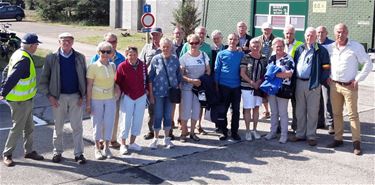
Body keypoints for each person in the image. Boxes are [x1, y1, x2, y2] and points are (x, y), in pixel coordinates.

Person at [39, 32, 87, 164]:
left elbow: (84, 77)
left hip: (76, 96)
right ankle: (57, 152)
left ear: (73, 42)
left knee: (77, 127)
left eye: (69, 40)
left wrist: (83, 96)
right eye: (63, 40)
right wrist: (50, 96)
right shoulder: (51, 58)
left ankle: (79, 154)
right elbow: (43, 80)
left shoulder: (80, 57)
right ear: (59, 42)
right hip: (58, 97)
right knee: (58, 126)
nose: (66, 42)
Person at [326, 23, 373, 155]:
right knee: (336, 113)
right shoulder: (330, 48)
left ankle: (356, 143)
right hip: (334, 85)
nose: (340, 35)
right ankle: (338, 139)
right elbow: (324, 62)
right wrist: (328, 75)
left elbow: (368, 63)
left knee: (353, 115)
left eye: (342, 32)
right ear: (334, 33)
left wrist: (358, 79)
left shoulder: (355, 47)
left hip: (349, 87)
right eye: (338, 32)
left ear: (347, 32)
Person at [0, 33, 44, 167]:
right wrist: (3, 92)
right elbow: (12, 76)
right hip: (19, 101)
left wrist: (2, 84)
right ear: (31, 46)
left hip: (26, 99)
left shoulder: (19, 53)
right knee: (17, 128)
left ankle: (29, 151)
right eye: (36, 44)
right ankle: (7, 154)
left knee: (29, 126)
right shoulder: (23, 59)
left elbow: (6, 70)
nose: (37, 47)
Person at [290, 27, 331, 146]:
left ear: (316, 37)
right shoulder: (299, 49)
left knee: (312, 111)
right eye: (308, 35)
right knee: (299, 110)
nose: (309, 37)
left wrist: (319, 81)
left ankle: (311, 135)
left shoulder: (321, 50)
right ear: (304, 36)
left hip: (313, 84)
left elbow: (326, 67)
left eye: (312, 35)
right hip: (299, 83)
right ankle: (300, 134)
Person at [91, 33, 125, 149]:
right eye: (108, 41)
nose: (111, 44)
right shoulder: (96, 57)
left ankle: (112, 139)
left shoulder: (121, 58)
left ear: (117, 43)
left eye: (114, 41)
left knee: (113, 117)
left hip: (114, 93)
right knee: (100, 118)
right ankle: (100, 139)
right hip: (99, 94)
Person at [86, 42, 118, 160]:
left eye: (108, 52)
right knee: (97, 123)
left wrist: (117, 90)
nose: (105, 54)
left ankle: (107, 147)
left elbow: (114, 82)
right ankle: (97, 148)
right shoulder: (93, 67)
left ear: (111, 53)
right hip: (96, 99)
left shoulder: (113, 66)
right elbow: (89, 86)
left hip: (110, 98)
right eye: (103, 51)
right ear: (98, 52)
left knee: (109, 122)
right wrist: (88, 103)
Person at [148, 38, 182, 149]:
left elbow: (179, 76)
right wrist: (151, 95)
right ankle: (155, 139)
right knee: (157, 116)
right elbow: (150, 78)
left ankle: (167, 139)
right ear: (160, 47)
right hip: (158, 93)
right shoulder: (155, 59)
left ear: (171, 47)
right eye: (164, 46)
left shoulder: (175, 59)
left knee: (168, 116)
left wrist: (177, 87)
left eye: (168, 46)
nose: (166, 49)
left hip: (170, 94)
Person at [115, 46, 149, 155]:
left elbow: (147, 79)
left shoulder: (142, 65)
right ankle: (123, 144)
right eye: (130, 55)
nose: (132, 57)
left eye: (134, 54)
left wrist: (147, 90)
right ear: (126, 55)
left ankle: (133, 142)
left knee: (138, 120)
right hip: (128, 96)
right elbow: (117, 82)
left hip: (141, 96)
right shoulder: (122, 66)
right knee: (126, 120)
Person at [180, 26, 212, 135]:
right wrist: (191, 80)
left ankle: (193, 132)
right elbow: (181, 75)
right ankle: (184, 131)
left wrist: (201, 81)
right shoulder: (184, 58)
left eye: (196, 43)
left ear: (199, 43)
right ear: (188, 43)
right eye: (191, 43)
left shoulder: (204, 55)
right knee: (185, 111)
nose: (194, 45)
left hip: (200, 89)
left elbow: (208, 70)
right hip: (187, 88)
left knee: (197, 111)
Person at [263, 38, 294, 144]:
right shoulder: (271, 58)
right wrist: (276, 74)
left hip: (283, 88)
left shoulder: (288, 58)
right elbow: (267, 71)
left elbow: (289, 73)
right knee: (274, 112)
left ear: (284, 47)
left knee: (283, 113)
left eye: (281, 46)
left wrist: (274, 74)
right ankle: (272, 132)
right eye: (277, 46)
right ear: (273, 47)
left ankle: (284, 135)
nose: (279, 48)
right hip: (272, 88)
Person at [215, 33, 244, 141]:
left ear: (238, 41)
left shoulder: (241, 54)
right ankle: (223, 131)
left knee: (235, 110)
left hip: (236, 87)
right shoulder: (221, 54)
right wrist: (216, 85)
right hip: (223, 86)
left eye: (235, 39)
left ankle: (234, 132)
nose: (233, 41)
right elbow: (217, 70)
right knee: (223, 110)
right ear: (227, 40)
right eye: (231, 39)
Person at [240, 38, 267, 141]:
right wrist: (252, 83)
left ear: (260, 46)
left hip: (259, 88)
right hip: (247, 87)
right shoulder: (245, 57)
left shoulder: (264, 58)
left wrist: (258, 83)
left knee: (256, 108)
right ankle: (247, 131)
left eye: (257, 45)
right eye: (253, 46)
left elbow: (265, 73)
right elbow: (242, 73)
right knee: (247, 108)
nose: (255, 47)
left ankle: (254, 130)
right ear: (250, 46)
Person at [139, 27, 163, 140]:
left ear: (161, 35)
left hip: (164, 83)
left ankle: (168, 131)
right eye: (153, 35)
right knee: (152, 108)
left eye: (157, 34)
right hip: (150, 82)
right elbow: (140, 63)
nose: (155, 37)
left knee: (165, 108)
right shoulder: (147, 48)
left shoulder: (166, 47)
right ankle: (151, 131)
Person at [283, 24, 304, 133]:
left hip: (294, 80)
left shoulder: (300, 45)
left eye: (291, 33)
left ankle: (296, 126)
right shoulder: (280, 43)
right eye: (287, 33)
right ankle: (280, 126)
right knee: (281, 105)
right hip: (282, 80)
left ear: (294, 34)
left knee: (296, 104)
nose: (288, 35)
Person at [316, 26, 335, 134]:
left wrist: (330, 75)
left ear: (326, 33)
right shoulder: (314, 44)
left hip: (327, 77)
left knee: (328, 101)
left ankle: (331, 124)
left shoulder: (332, 45)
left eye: (322, 32)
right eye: (318, 32)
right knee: (318, 101)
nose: (320, 34)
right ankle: (320, 121)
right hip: (317, 77)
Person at [257, 22, 275, 119]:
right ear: (262, 30)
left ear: (271, 30)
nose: (266, 31)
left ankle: (273, 111)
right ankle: (266, 111)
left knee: (271, 90)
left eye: (268, 29)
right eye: (265, 29)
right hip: (261, 68)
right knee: (263, 89)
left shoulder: (275, 40)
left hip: (272, 69)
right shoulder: (257, 40)